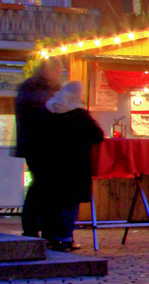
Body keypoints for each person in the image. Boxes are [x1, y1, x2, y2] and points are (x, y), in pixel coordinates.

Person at [29, 81, 104, 252]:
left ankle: (50, 236)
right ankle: (66, 237)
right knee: (70, 203)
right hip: (74, 166)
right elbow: (97, 135)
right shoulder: (78, 112)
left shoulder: (47, 109)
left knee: (51, 201)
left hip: (49, 164)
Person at [12, 59, 62, 241]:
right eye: (58, 69)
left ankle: (40, 227)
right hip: (39, 144)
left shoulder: (36, 87)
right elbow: (42, 113)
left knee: (42, 186)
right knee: (42, 186)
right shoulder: (35, 88)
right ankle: (36, 227)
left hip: (39, 144)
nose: (59, 73)